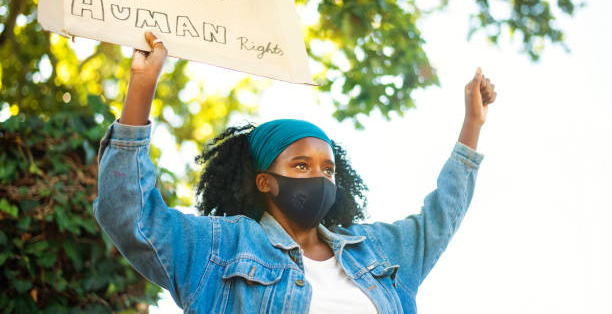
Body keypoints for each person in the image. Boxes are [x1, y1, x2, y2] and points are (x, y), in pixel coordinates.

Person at [94, 31, 497, 314]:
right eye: (301, 165)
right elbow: (130, 217)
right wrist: (142, 87)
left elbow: (440, 218)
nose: (319, 178)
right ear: (265, 181)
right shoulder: (220, 248)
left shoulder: (379, 252)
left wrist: (472, 125)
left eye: (328, 169)